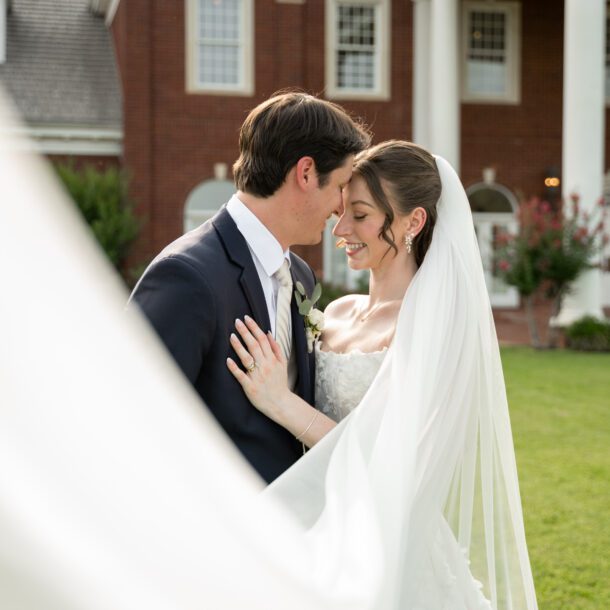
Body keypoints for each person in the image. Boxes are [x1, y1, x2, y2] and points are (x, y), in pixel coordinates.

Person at [227, 141, 538, 609]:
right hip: (317, 529)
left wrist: (280, 403)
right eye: (341, 212)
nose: (341, 229)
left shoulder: (429, 326)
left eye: (361, 214)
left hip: (388, 547)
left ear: (413, 221)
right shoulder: (335, 311)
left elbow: (389, 460)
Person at [128, 91, 370, 484]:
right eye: (340, 186)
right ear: (306, 173)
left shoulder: (302, 277)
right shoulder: (186, 276)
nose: (341, 208)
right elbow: (134, 419)